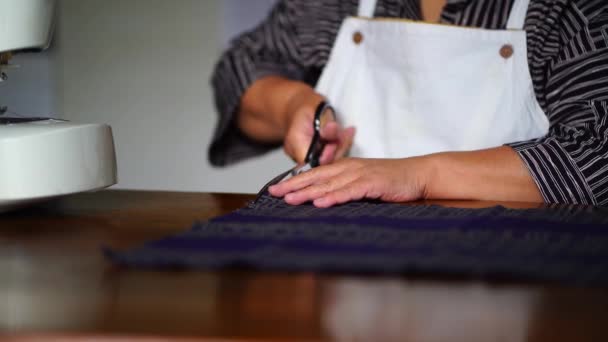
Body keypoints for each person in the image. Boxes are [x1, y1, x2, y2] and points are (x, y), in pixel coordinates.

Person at [210, 0, 608, 207]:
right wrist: (293, 104)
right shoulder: (328, 7)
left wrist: (419, 176)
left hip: (515, 272)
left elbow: (596, 154)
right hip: (345, 270)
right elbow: (240, 70)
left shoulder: (566, 11)